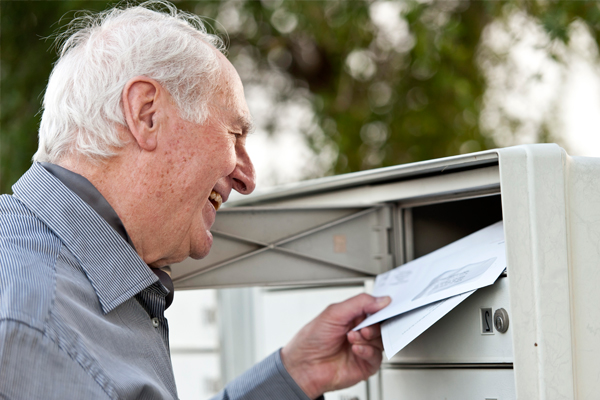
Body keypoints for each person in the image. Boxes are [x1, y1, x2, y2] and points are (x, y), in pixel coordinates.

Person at [0, 2, 390, 399]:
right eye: (234, 134)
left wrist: (297, 375)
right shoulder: (34, 328)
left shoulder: (47, 288)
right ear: (147, 114)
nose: (247, 178)